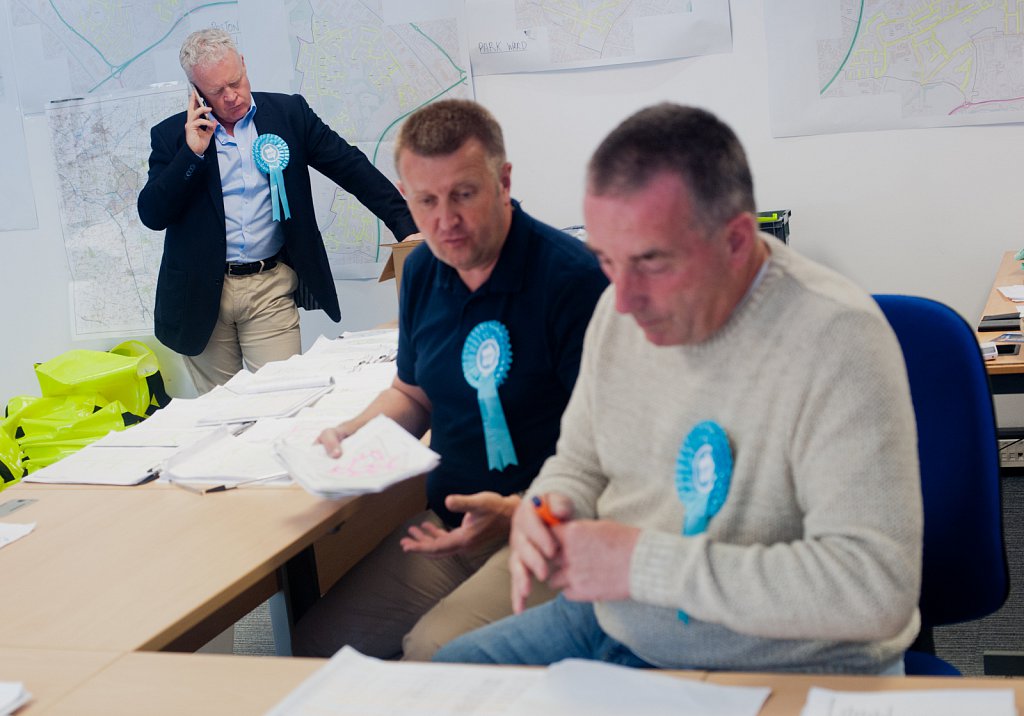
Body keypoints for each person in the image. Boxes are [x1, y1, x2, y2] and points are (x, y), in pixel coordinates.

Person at [434, 104, 923, 674]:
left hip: (774, 662)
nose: (623, 300)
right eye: (606, 260)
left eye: (651, 262)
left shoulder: (837, 339)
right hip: (613, 621)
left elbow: (874, 588)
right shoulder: (617, 311)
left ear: (736, 240)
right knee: (442, 681)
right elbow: (579, 463)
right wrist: (549, 508)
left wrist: (642, 564)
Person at [291, 99, 609, 660]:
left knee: (430, 651)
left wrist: (523, 510)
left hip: (549, 528)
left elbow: (609, 450)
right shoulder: (422, 270)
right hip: (452, 526)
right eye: (426, 201)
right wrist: (353, 433)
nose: (444, 222)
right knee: (310, 648)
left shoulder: (573, 280)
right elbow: (412, 394)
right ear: (405, 194)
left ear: (503, 182)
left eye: (463, 194)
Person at [137, 29, 419, 393]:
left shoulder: (289, 114)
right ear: (195, 92)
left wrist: (406, 226)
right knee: (225, 412)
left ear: (243, 64)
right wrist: (191, 153)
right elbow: (152, 214)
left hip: (268, 287)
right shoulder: (171, 136)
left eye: (235, 82)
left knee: (283, 397)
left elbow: (350, 167)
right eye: (217, 91)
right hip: (200, 296)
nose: (231, 96)